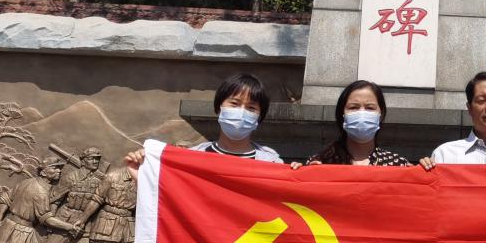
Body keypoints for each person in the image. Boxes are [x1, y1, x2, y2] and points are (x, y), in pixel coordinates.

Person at [125, 72, 282, 175]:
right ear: (219, 109)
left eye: (251, 108)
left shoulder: (273, 164)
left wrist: (294, 176)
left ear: (259, 118)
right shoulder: (191, 159)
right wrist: (142, 177)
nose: (241, 112)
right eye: (234, 104)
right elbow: (171, 200)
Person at [308, 80, 412, 166]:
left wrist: (420, 173)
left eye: (370, 108)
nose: (362, 113)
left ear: (381, 115)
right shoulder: (321, 162)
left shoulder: (397, 165)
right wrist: (302, 173)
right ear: (342, 114)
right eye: (353, 107)